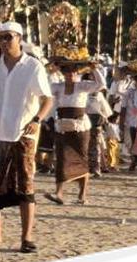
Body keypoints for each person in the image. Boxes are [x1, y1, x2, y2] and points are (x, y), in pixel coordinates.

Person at [0, 22, 53, 254]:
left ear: (19, 38)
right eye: (0, 38)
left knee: (25, 182)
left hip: (21, 132)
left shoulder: (32, 66)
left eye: (8, 38)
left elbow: (47, 99)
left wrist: (37, 119)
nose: (4, 43)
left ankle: (27, 236)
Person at [45, 63, 105, 205]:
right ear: (63, 74)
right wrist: (51, 71)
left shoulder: (83, 86)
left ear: (77, 73)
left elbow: (101, 84)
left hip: (80, 128)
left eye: (73, 73)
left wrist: (93, 68)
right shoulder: (58, 87)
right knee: (61, 159)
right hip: (63, 127)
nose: (70, 75)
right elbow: (45, 89)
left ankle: (82, 194)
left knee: (81, 159)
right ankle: (59, 193)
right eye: (66, 72)